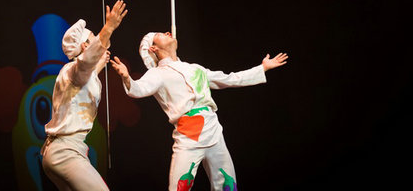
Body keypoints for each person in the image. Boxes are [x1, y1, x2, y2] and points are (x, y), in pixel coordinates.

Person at [110, 31, 289, 191]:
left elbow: (229, 79)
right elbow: (138, 89)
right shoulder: (157, 73)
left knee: (227, 184)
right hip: (188, 135)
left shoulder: (195, 68)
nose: (166, 32)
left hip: (213, 129)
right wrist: (126, 78)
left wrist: (262, 68)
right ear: (153, 48)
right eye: (160, 34)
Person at [41, 0, 128, 191]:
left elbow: (85, 79)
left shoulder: (76, 74)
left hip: (58, 152)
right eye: (93, 39)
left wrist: (99, 64)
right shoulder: (74, 69)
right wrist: (109, 27)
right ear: (83, 46)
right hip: (65, 152)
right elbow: (86, 63)